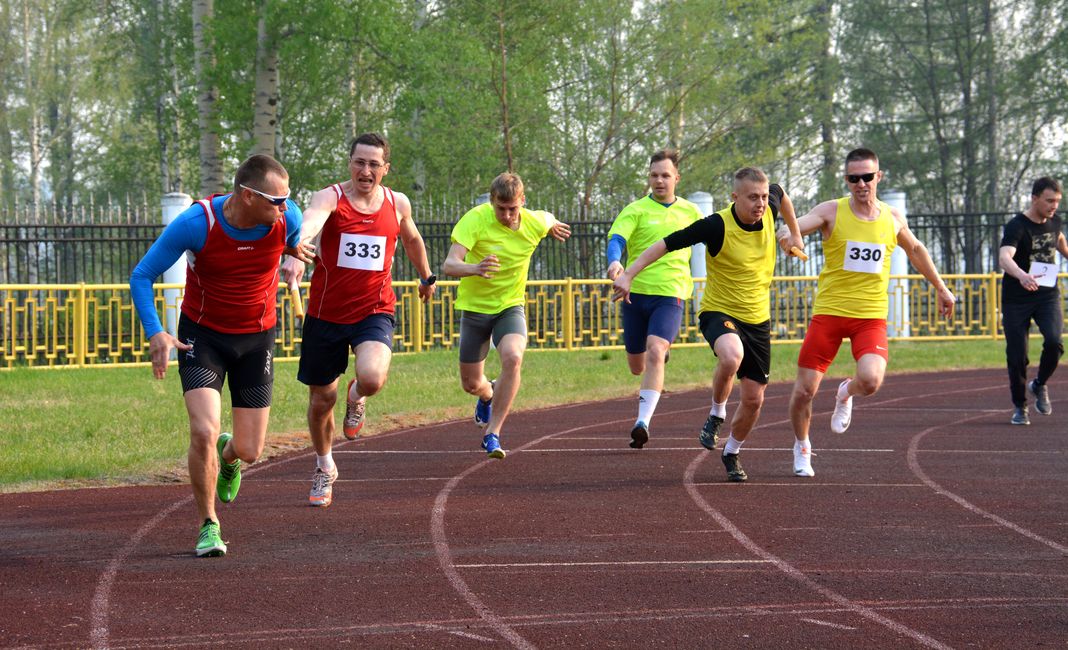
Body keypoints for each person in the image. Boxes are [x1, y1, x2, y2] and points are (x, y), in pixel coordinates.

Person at [130, 154, 308, 557]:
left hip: (257, 338)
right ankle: (209, 524)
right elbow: (141, 275)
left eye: (286, 200)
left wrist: (295, 256)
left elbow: (293, 240)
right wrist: (156, 331)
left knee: (250, 451)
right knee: (203, 431)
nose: (284, 208)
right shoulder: (197, 223)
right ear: (247, 196)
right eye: (276, 201)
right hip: (202, 338)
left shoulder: (287, 217)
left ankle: (230, 457)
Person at [613, 167, 803, 481]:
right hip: (719, 311)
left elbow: (783, 198)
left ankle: (732, 451)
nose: (760, 203)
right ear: (735, 197)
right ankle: (716, 413)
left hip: (758, 318)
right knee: (731, 355)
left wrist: (793, 233)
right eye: (752, 197)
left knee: (755, 399)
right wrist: (629, 274)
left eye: (763, 196)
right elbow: (665, 244)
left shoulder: (770, 204)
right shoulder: (716, 225)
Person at [281, 133, 436, 508]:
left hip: (374, 310)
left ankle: (358, 396)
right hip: (325, 315)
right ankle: (324, 465)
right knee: (322, 401)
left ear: (385, 168)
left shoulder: (397, 203)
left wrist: (426, 276)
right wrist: (297, 251)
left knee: (371, 378)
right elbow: (313, 222)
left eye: (373, 164)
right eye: (359, 162)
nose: (365, 171)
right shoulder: (330, 197)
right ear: (349, 163)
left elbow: (412, 239)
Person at [782, 147, 955, 477]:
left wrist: (942, 288)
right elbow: (794, 227)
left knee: (872, 380)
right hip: (830, 313)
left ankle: (845, 392)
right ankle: (802, 445)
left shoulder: (891, 218)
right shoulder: (831, 211)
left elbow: (916, 249)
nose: (860, 184)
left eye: (866, 177)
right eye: (853, 178)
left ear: (879, 177)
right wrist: (785, 236)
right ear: (846, 180)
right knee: (804, 391)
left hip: (870, 317)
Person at [442, 172, 571, 459]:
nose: (508, 215)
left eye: (513, 208)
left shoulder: (533, 221)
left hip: (510, 306)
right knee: (471, 384)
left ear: (522, 202)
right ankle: (487, 395)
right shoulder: (475, 219)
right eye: (501, 209)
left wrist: (553, 227)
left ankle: (493, 432)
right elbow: (450, 264)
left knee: (513, 357)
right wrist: (475, 268)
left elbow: (547, 217)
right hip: (476, 309)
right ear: (492, 203)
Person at [606, 149, 704, 449]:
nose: (659, 181)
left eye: (664, 175)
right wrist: (614, 262)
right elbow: (617, 239)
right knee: (637, 366)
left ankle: (642, 422)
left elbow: (718, 239)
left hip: (670, 292)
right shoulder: (635, 209)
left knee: (655, 348)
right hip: (635, 294)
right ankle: (658, 356)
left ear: (677, 178)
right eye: (654, 175)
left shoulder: (691, 212)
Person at [998, 177, 1066, 425]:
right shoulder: (1017, 226)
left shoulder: (1055, 221)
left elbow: (1058, 241)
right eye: (1049, 201)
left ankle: (1039, 384)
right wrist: (1022, 275)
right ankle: (1020, 406)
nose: (1053, 206)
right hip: (1017, 298)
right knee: (1017, 356)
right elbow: (1005, 257)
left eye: (1057, 201)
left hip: (1047, 294)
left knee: (1055, 342)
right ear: (1034, 198)